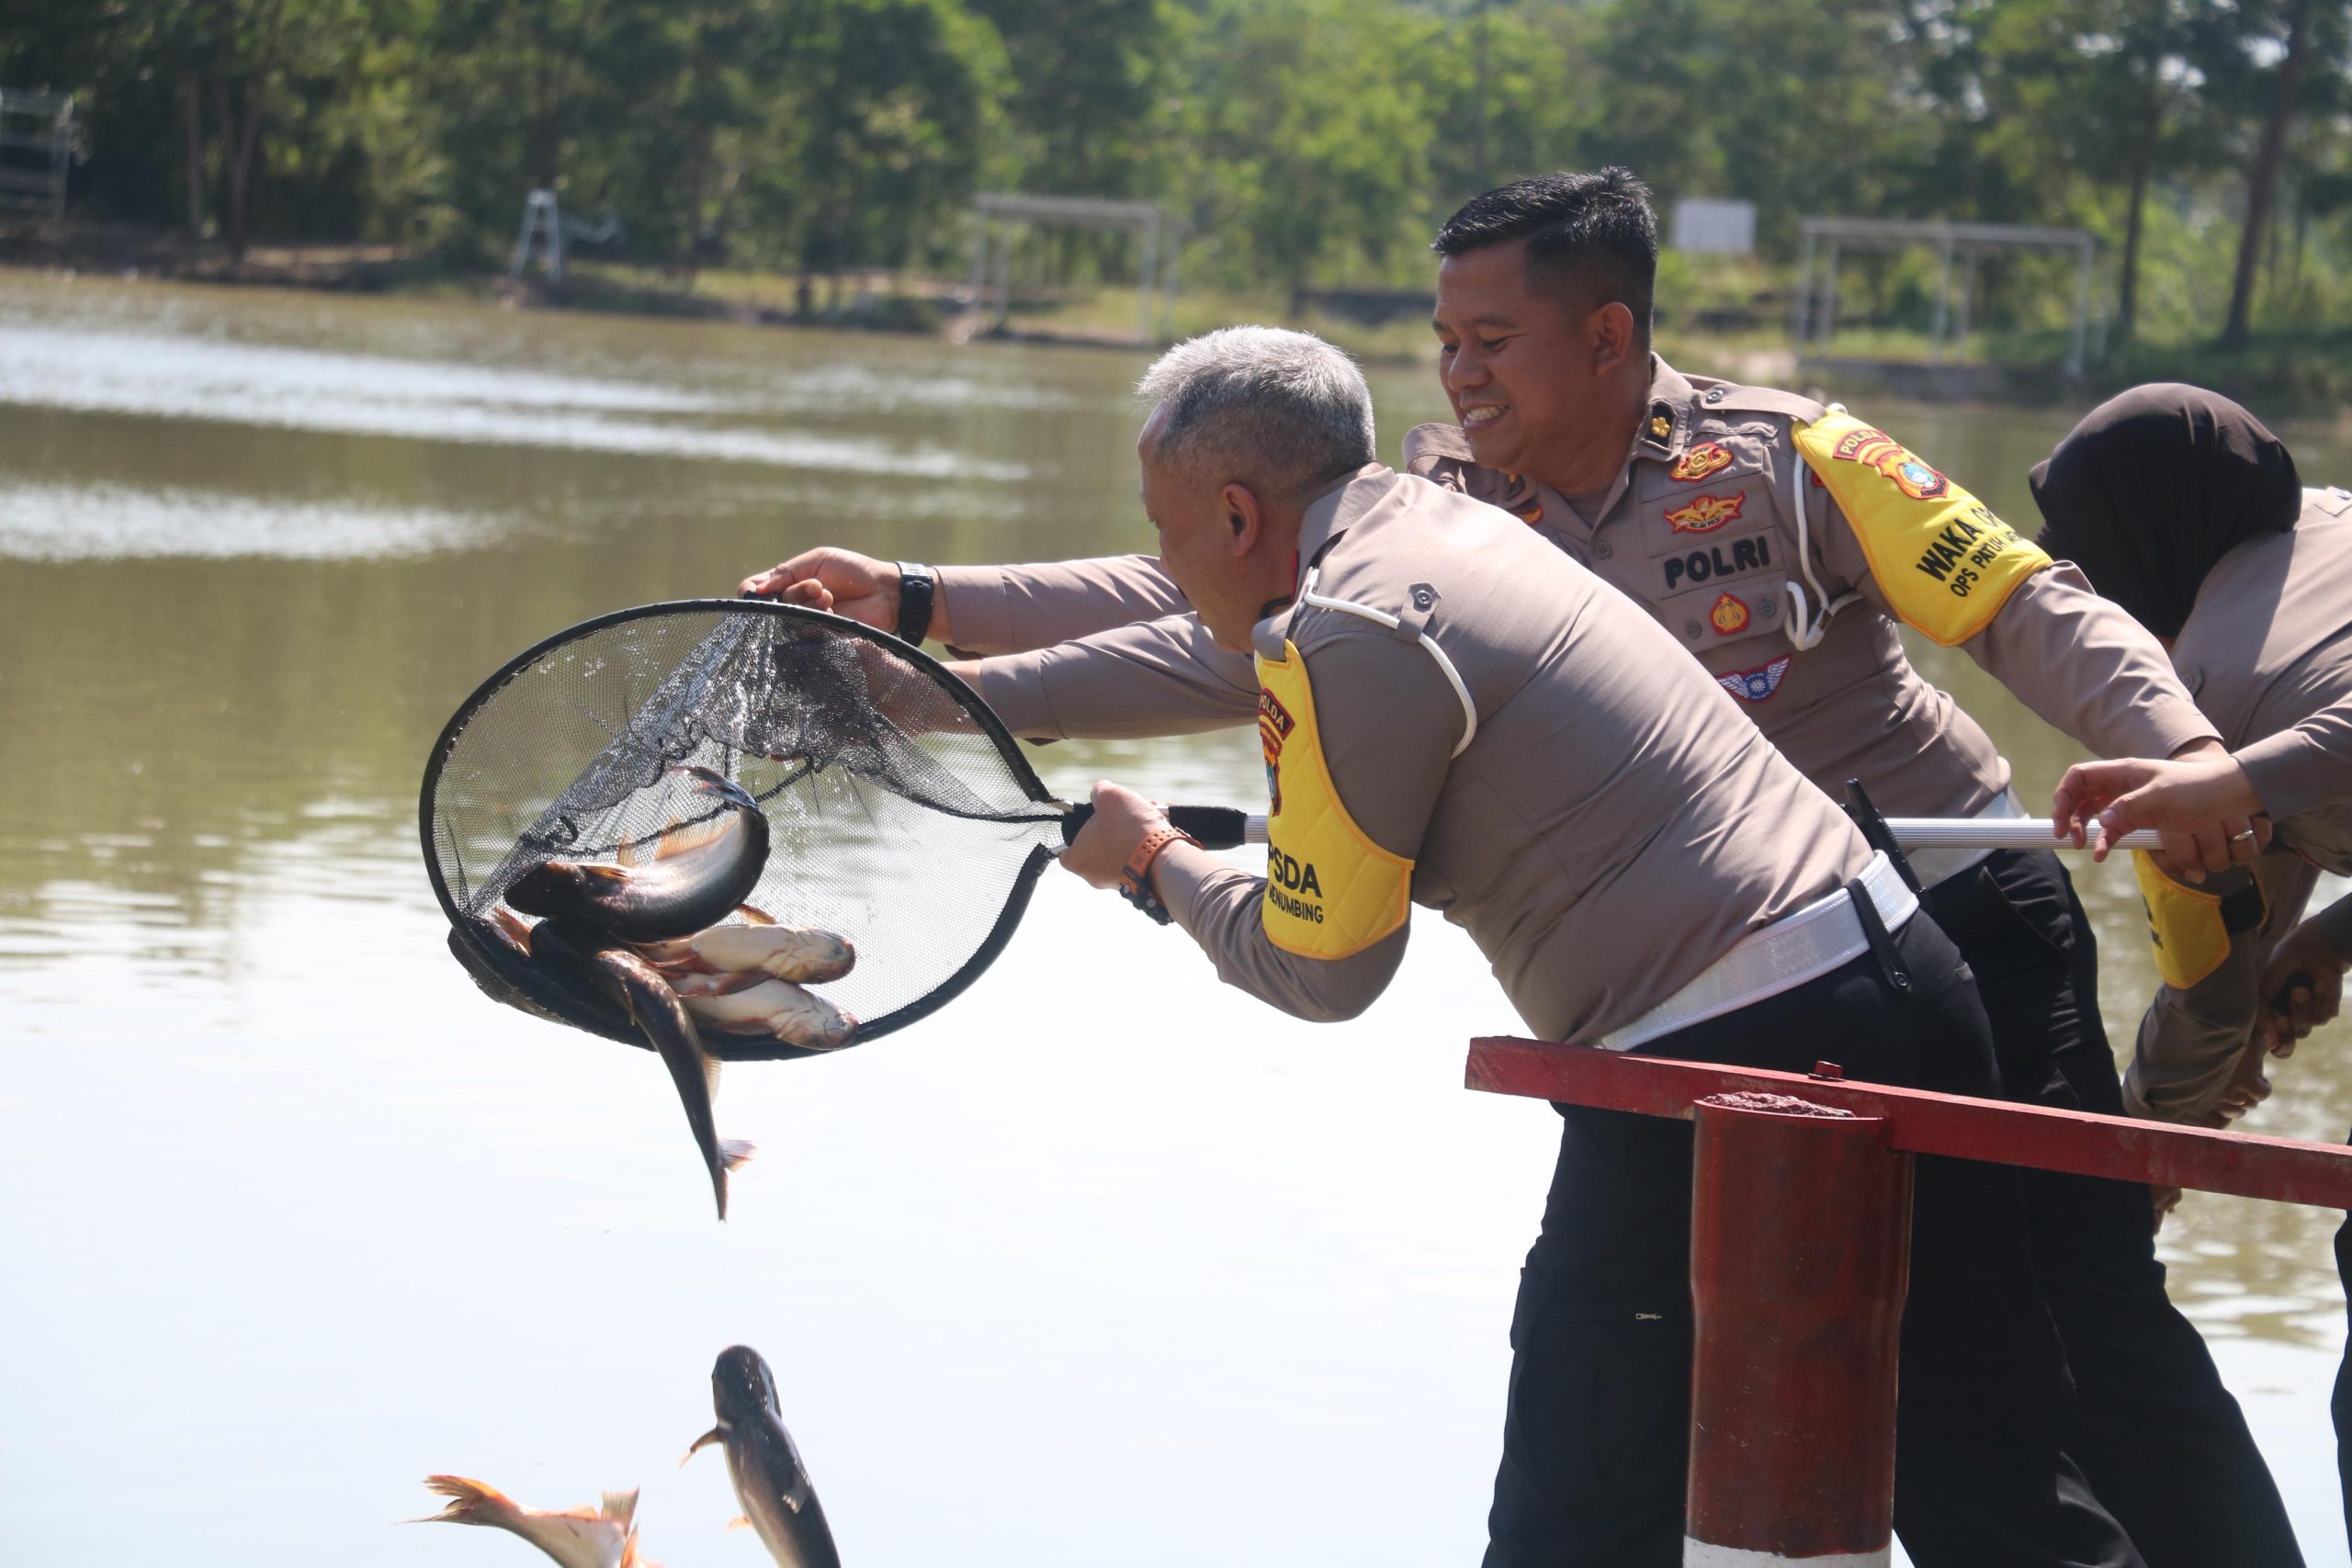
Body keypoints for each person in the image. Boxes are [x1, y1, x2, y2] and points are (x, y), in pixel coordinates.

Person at [743, 173, 2297, 1567]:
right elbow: (1208, 602)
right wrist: (927, 625)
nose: (1460, 372)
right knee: (1811, 1423)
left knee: (2069, 1342)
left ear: (1609, 335)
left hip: (1927, 918)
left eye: (1494, 338)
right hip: (1725, 979)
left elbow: (2032, 605)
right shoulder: (1431, 503)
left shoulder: (1788, 457)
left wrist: (2189, 767)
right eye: (1444, 339)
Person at [1035, 323, 2148, 1567]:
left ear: (1238, 517)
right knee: (1997, 1484)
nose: (1165, 559)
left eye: (1166, 528)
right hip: (1898, 968)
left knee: (1577, 1513)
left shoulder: (1342, 631)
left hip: (1714, 1053)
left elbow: (1321, 966)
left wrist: (1152, 864)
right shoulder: (1444, 522)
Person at [2032, 386, 2352, 1546]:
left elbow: (2212, 985)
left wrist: (2147, 1145)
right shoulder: (2326, 524)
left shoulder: (2200, 702)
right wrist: (2324, 937)